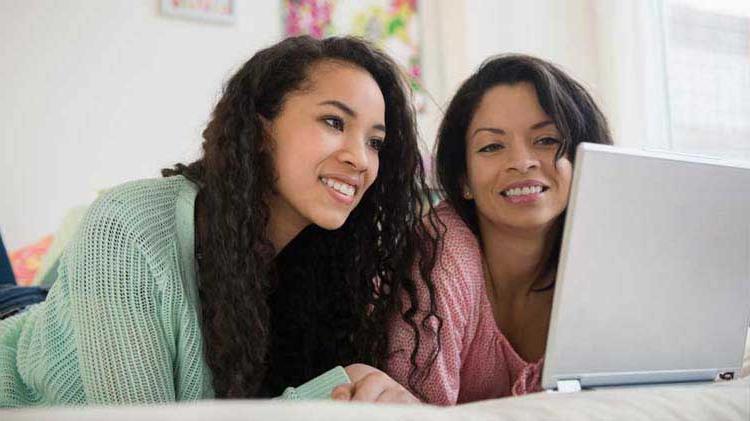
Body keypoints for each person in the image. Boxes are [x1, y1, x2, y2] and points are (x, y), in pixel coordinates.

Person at [0, 35, 440, 407]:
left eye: (376, 142)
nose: (360, 159)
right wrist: (332, 394)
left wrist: (356, 392)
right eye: (333, 121)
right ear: (261, 128)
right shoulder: (128, 226)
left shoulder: (321, 261)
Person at [386, 54, 613, 405]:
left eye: (547, 140)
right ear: (464, 179)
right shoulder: (440, 253)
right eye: (492, 146)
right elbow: (419, 412)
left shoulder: (603, 253)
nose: (522, 162)